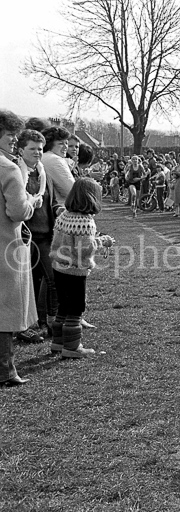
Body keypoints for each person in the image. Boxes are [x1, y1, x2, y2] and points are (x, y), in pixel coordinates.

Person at [50, 177, 114, 358]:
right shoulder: (85, 221)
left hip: (59, 267)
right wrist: (103, 241)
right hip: (75, 270)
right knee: (76, 308)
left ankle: (58, 342)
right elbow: (84, 248)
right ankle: (72, 347)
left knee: (63, 306)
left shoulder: (64, 215)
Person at [0, 110, 42, 386]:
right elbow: (17, 211)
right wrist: (32, 203)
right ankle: (6, 369)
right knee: (5, 306)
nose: (15, 140)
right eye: (11, 135)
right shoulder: (9, 168)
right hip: (5, 244)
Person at [16, 130, 58, 345]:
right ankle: (26, 326)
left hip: (44, 236)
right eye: (32, 149)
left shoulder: (44, 174)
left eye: (40, 149)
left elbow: (51, 203)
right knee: (28, 283)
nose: (37, 153)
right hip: (22, 238)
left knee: (53, 278)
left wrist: (59, 210)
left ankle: (50, 322)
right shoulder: (15, 172)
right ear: (21, 149)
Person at [40, 127, 75, 209]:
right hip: (59, 210)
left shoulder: (42, 157)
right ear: (50, 144)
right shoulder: (55, 160)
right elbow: (71, 191)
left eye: (66, 143)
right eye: (61, 143)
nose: (65, 147)